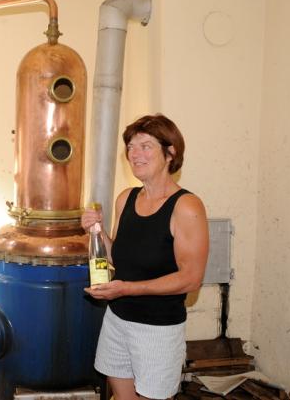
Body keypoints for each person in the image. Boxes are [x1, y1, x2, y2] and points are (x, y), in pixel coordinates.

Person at [81, 114, 209, 400]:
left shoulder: (186, 206)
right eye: (130, 147)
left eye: (146, 146)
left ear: (170, 153)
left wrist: (127, 289)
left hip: (157, 330)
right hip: (118, 320)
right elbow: (119, 258)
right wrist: (97, 232)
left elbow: (191, 279)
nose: (135, 154)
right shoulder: (126, 198)